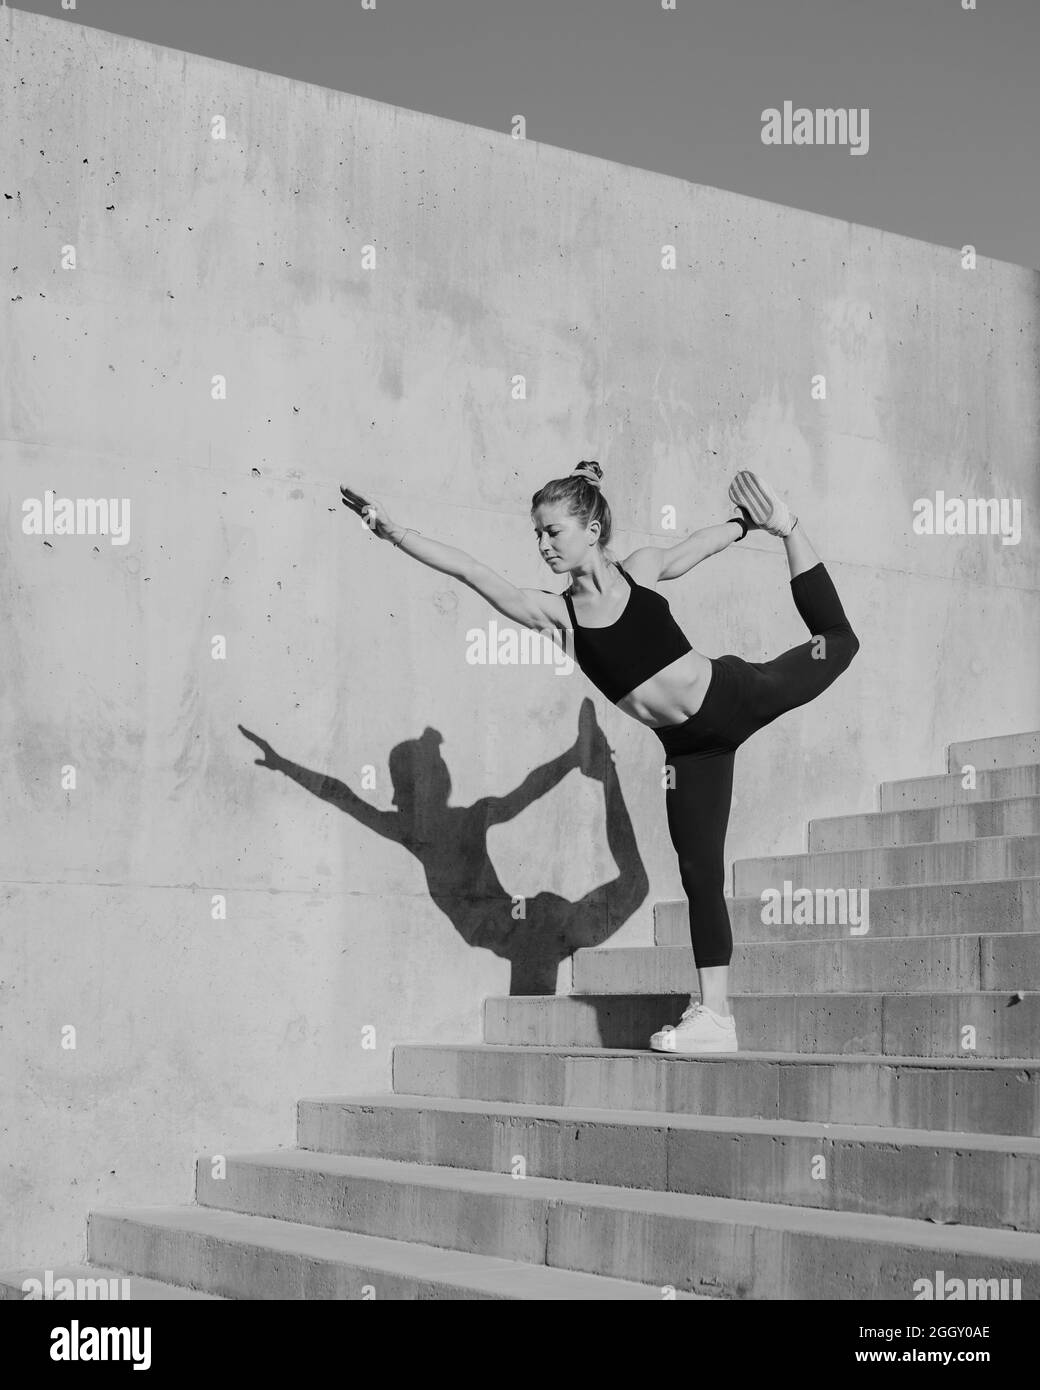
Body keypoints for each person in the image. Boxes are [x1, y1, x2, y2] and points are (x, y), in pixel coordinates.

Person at [344, 462, 859, 1054]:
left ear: (591, 529)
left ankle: (794, 526)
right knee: (700, 875)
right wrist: (394, 532)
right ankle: (715, 1014)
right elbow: (470, 570)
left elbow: (690, 550)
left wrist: (752, 526)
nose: (542, 545)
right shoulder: (556, 615)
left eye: (553, 532)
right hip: (690, 752)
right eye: (536, 534)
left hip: (735, 693)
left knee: (838, 642)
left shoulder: (637, 570)